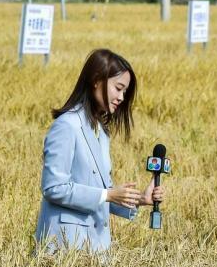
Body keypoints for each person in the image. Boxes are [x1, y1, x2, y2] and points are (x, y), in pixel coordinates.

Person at [34, 49, 165, 253]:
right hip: (64, 249)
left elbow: (102, 194)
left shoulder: (101, 132)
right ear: (96, 80)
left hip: (93, 249)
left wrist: (139, 200)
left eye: (125, 92)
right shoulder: (67, 125)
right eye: (118, 88)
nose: (121, 97)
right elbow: (54, 187)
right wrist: (108, 194)